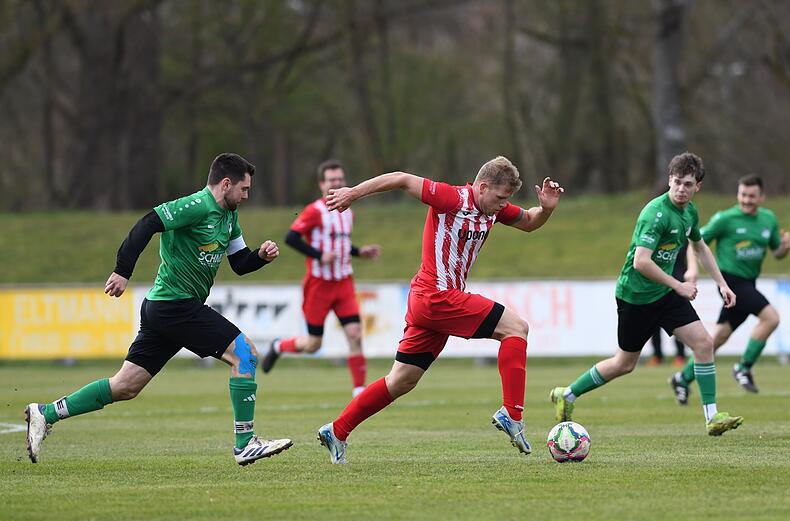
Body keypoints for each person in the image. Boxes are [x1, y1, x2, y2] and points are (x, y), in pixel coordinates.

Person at [24, 153, 293, 466]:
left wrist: (260, 255)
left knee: (125, 386)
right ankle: (245, 443)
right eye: (244, 190)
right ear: (225, 183)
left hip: (166, 309)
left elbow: (240, 263)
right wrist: (123, 270)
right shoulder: (195, 206)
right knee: (244, 354)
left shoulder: (229, 217)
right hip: (174, 305)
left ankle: (45, 413)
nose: (246, 196)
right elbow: (147, 223)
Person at [314, 156, 564, 464]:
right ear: (482, 187)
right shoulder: (451, 198)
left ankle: (337, 431)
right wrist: (352, 193)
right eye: (500, 198)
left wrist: (548, 209)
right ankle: (513, 414)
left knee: (401, 380)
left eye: (507, 200)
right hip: (436, 297)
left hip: (429, 303)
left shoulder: (492, 210)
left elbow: (529, 222)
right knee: (516, 328)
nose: (503, 205)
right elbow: (402, 177)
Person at [549, 152, 743, 436]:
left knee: (703, 344)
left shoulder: (690, 212)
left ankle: (712, 418)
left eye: (688, 184)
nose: (681, 189)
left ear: (697, 187)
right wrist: (678, 285)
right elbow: (641, 262)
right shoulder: (656, 214)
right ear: (669, 180)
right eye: (677, 182)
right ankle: (567, 394)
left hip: (664, 294)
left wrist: (722, 284)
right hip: (635, 297)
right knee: (624, 364)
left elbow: (700, 247)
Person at [260, 160, 381, 398]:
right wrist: (318, 255)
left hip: (344, 283)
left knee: (355, 334)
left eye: (339, 180)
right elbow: (291, 238)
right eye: (331, 180)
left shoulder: (348, 212)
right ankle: (278, 346)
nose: (336, 184)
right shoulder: (314, 211)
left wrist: (359, 252)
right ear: (322, 184)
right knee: (313, 344)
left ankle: (359, 393)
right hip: (319, 286)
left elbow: (341, 243)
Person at [670, 174, 790, 400]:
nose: (746, 200)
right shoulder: (724, 219)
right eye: (743, 195)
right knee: (771, 318)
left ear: (762, 197)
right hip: (730, 282)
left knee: (716, 338)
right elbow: (694, 241)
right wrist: (692, 269)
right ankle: (744, 367)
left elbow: (777, 252)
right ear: (738, 194)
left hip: (749, 282)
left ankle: (682, 378)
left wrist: (785, 248)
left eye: (752, 196)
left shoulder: (768, 219)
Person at [646, 244, 694, 367]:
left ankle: (680, 355)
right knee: (653, 323)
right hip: (657, 283)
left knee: (679, 322)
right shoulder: (656, 236)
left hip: (678, 283)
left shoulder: (683, 236)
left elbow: (696, 248)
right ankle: (657, 356)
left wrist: (692, 270)